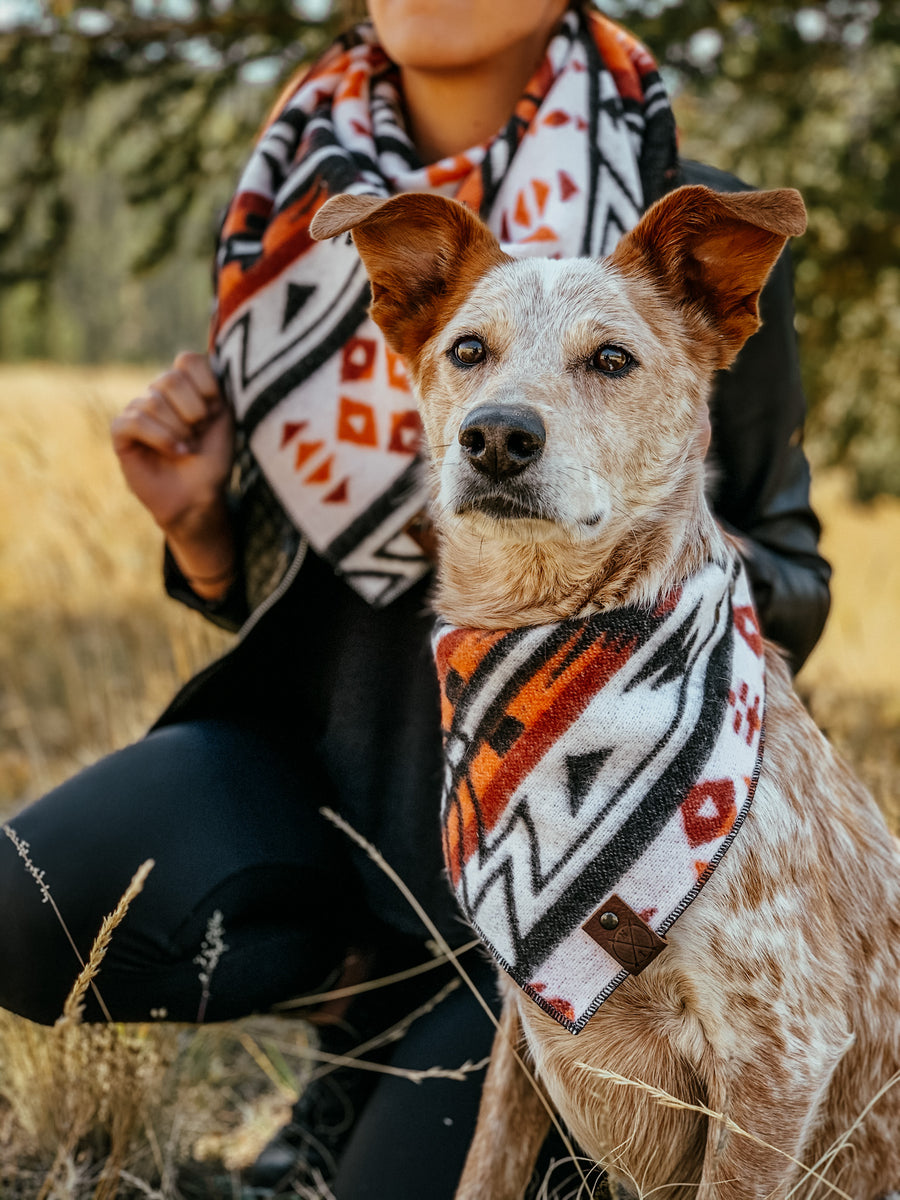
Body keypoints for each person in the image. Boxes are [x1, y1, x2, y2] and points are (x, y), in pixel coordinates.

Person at [0, 1, 830, 1196]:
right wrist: (204, 530)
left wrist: (636, 537)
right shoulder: (296, 201)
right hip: (329, 772)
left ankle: (413, 1040)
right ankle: (354, 1005)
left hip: (584, 831)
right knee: (26, 909)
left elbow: (795, 580)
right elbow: (316, 597)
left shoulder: (680, 222)